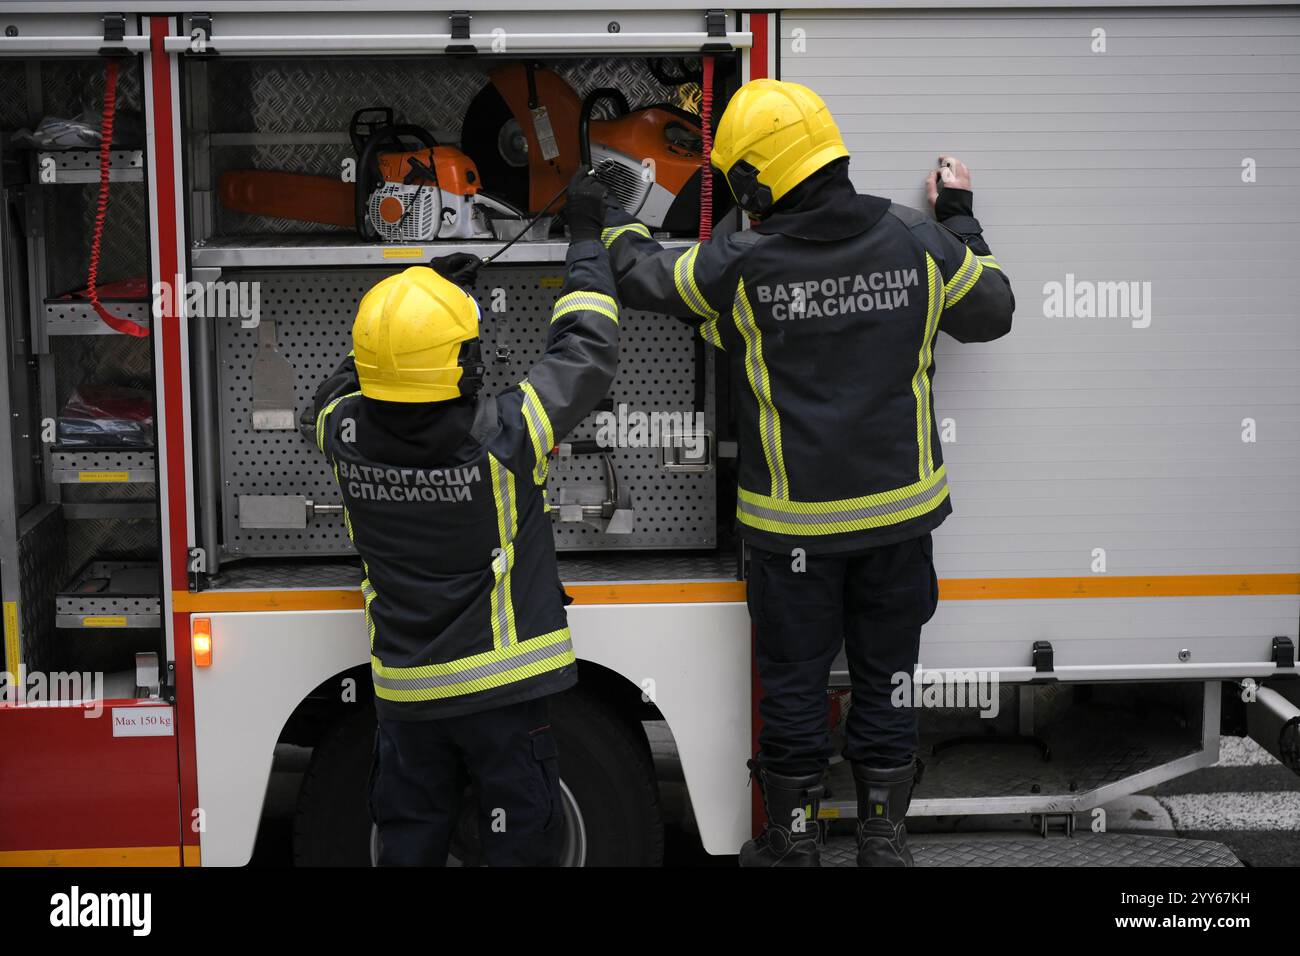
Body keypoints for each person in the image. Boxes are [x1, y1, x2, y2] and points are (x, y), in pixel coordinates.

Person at [599, 79, 1014, 866]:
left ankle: (793, 843)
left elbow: (643, 275)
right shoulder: (919, 245)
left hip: (792, 538)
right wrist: (958, 218)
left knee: (794, 689)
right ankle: (884, 841)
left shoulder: (739, 267)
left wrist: (606, 219)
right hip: (901, 522)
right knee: (888, 678)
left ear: (756, 182)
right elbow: (992, 309)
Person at [303, 168, 616, 866]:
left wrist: (428, 306)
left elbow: (342, 381)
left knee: (411, 848)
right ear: (462, 364)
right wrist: (587, 239)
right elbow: (588, 351)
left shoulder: (339, 431)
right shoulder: (508, 433)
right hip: (503, 697)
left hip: (407, 702)